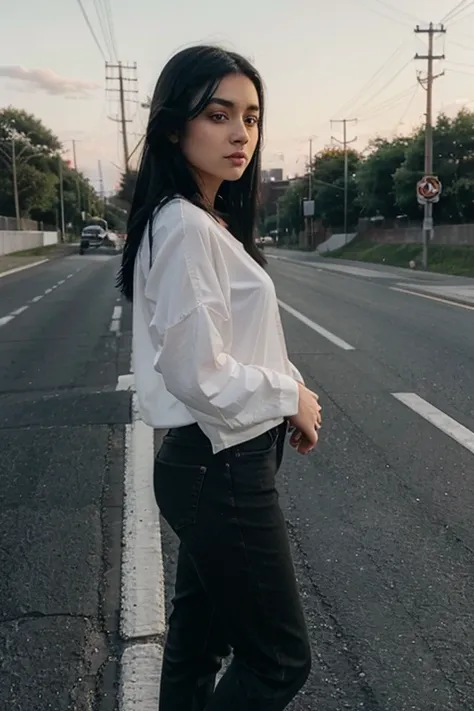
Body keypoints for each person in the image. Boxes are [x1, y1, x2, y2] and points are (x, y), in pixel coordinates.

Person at [117, 44, 322, 711]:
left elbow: (237, 339)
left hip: (217, 461)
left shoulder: (203, 222)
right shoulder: (184, 226)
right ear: (176, 126)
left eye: (252, 117)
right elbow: (197, 372)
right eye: (218, 113)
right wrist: (289, 392)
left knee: (197, 645)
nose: (241, 133)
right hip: (220, 465)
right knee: (278, 659)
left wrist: (289, 389)